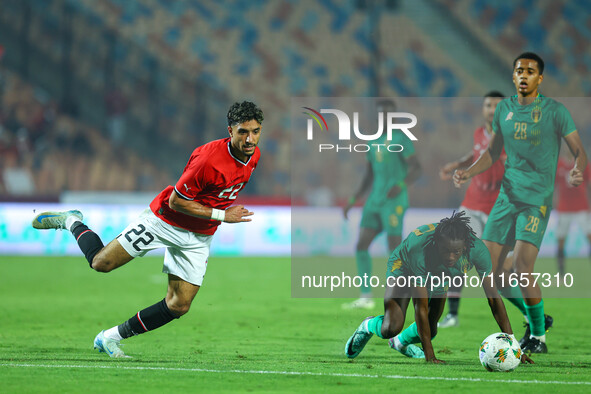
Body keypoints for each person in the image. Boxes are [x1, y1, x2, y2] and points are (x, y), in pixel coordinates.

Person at [32, 101, 264, 358]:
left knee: (179, 305)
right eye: (243, 131)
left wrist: (216, 217)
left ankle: (108, 338)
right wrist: (223, 215)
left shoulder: (254, 155)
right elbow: (177, 200)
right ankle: (71, 221)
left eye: (255, 131)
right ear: (230, 130)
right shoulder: (208, 159)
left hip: (199, 235)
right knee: (101, 263)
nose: (250, 138)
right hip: (164, 221)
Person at [453, 52, 588, 353]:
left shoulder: (555, 111)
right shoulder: (504, 110)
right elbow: (491, 153)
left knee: (523, 268)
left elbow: (579, 150)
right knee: (491, 272)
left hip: (535, 202)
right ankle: (536, 319)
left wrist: (578, 168)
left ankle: (538, 338)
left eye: (530, 71)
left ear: (540, 78)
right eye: (519, 70)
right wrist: (468, 172)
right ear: (513, 77)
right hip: (506, 199)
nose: (524, 75)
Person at [344, 211, 533, 364]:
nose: (451, 257)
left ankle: (399, 342)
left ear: (465, 247)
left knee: (430, 331)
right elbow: (421, 306)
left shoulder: (478, 251)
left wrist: (515, 348)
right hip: (404, 266)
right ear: (436, 244)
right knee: (391, 327)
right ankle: (369, 325)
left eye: (456, 252)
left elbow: (494, 299)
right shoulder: (420, 249)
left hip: (440, 272)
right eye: (446, 251)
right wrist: (430, 355)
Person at [438, 91, 531, 330]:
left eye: (497, 106)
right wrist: (458, 165)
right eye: (488, 105)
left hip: (498, 209)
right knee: (454, 253)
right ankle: (453, 314)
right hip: (472, 204)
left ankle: (531, 313)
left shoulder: (514, 136)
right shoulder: (479, 133)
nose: (492, 109)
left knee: (496, 274)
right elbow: (477, 153)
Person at [342, 99, 422, 309]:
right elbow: (368, 174)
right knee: (361, 245)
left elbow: (417, 168)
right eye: (381, 114)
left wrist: (401, 184)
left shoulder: (402, 140)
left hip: (393, 201)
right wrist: (353, 199)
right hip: (374, 201)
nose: (384, 117)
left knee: (393, 248)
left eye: (388, 114)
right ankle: (366, 296)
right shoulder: (372, 141)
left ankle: (402, 293)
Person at [555, 147, 591, 276]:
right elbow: (554, 186)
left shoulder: (582, 163)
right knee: (560, 240)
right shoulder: (558, 164)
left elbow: (589, 183)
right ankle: (561, 274)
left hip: (581, 207)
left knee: (589, 236)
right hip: (564, 208)